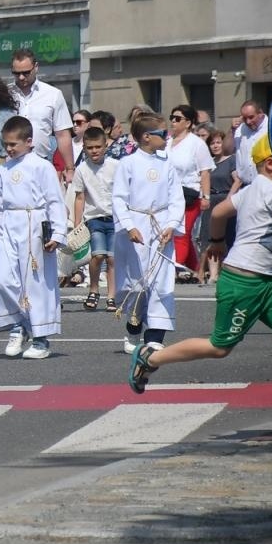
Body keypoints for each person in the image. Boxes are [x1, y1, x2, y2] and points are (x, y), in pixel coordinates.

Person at [131, 133, 272, 393]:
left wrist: (218, 240)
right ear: (270, 164)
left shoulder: (252, 189)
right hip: (245, 285)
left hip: (268, 281)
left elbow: (220, 211)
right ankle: (150, 357)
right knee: (219, 346)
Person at [0, 117, 67, 358]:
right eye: (5, 144)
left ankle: (40, 338)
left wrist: (58, 233)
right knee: (2, 280)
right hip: (9, 228)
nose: (8, 149)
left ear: (29, 142)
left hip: (34, 228)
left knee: (36, 284)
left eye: (13, 144)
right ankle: (18, 325)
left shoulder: (42, 167)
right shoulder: (4, 170)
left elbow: (54, 202)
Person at [111, 113, 183, 360]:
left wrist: (172, 225)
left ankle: (155, 337)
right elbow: (118, 199)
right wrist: (129, 226)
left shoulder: (167, 164)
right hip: (137, 228)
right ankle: (133, 327)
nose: (168, 136)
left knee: (161, 281)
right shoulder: (127, 164)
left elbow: (176, 198)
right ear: (146, 137)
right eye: (163, 134)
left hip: (161, 227)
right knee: (137, 281)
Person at [73, 127, 119, 312]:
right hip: (94, 218)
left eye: (98, 147)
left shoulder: (116, 166)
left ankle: (112, 295)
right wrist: (77, 223)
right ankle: (93, 289)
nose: (94, 151)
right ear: (84, 148)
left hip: (115, 218)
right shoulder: (82, 169)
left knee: (113, 258)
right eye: (90, 147)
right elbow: (80, 197)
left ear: (106, 146)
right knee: (98, 255)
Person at [166, 103, 214, 277]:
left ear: (188, 122)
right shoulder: (167, 142)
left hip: (189, 195)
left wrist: (206, 196)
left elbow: (205, 171)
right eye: (172, 117)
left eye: (177, 119)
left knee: (182, 233)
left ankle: (174, 268)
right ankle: (195, 269)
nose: (173, 121)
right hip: (169, 195)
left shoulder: (196, 144)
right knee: (174, 233)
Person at [203, 129, 237, 284]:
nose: (215, 146)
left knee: (228, 237)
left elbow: (238, 180)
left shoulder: (231, 160)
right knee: (212, 238)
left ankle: (228, 272)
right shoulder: (208, 163)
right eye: (212, 143)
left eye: (218, 142)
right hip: (212, 200)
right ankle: (213, 274)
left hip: (226, 200)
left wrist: (230, 196)